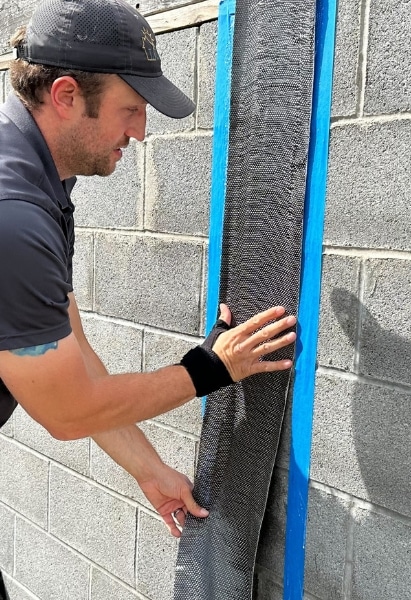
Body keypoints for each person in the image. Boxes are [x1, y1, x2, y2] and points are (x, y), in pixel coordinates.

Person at [0, 0, 296, 538]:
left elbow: (79, 358)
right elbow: (67, 411)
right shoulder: (14, 219)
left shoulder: (42, 179)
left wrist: (150, 470)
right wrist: (209, 370)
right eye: (130, 108)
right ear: (66, 96)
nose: (140, 132)